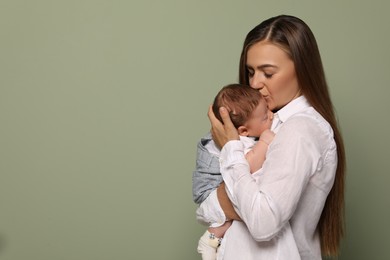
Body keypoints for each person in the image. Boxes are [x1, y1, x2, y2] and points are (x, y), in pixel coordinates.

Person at [196, 15, 346, 260]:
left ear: (302, 69)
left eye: (268, 73)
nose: (254, 83)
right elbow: (208, 209)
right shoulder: (268, 124)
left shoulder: (299, 130)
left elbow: (262, 221)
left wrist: (231, 148)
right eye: (250, 71)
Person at [193, 84, 275, 260]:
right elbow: (244, 166)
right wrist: (265, 143)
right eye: (265, 117)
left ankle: (210, 238)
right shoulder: (240, 140)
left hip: (216, 190)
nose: (271, 116)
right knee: (237, 208)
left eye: (268, 110)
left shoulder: (244, 130)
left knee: (231, 219)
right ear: (243, 131)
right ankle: (209, 242)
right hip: (209, 191)